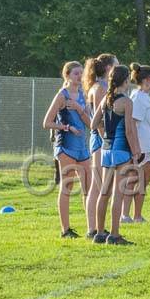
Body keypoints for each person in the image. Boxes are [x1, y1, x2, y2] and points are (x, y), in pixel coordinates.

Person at [89, 65, 139, 245]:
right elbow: (129, 131)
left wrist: (105, 135)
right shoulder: (126, 102)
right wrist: (135, 151)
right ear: (126, 80)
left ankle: (100, 232)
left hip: (106, 149)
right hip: (121, 150)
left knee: (104, 192)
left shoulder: (105, 100)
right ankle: (115, 235)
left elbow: (94, 124)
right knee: (118, 194)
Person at [43, 61, 93, 238]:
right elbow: (46, 122)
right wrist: (66, 127)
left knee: (89, 186)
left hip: (83, 147)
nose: (79, 77)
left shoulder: (83, 95)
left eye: (81, 73)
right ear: (67, 76)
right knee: (68, 186)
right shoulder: (61, 96)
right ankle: (65, 230)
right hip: (66, 146)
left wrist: (79, 109)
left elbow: (90, 124)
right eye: (76, 74)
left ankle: (92, 229)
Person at [84, 53, 118, 240]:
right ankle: (93, 229)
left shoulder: (104, 87)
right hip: (100, 139)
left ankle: (97, 228)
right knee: (98, 186)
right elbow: (98, 120)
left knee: (101, 186)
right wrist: (108, 139)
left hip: (104, 139)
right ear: (108, 68)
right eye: (116, 65)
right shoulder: (98, 88)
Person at [121, 63, 150, 224]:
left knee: (143, 180)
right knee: (133, 180)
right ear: (147, 80)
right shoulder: (138, 98)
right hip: (140, 147)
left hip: (148, 146)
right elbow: (133, 124)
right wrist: (135, 149)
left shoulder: (145, 97)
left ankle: (137, 215)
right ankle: (126, 215)